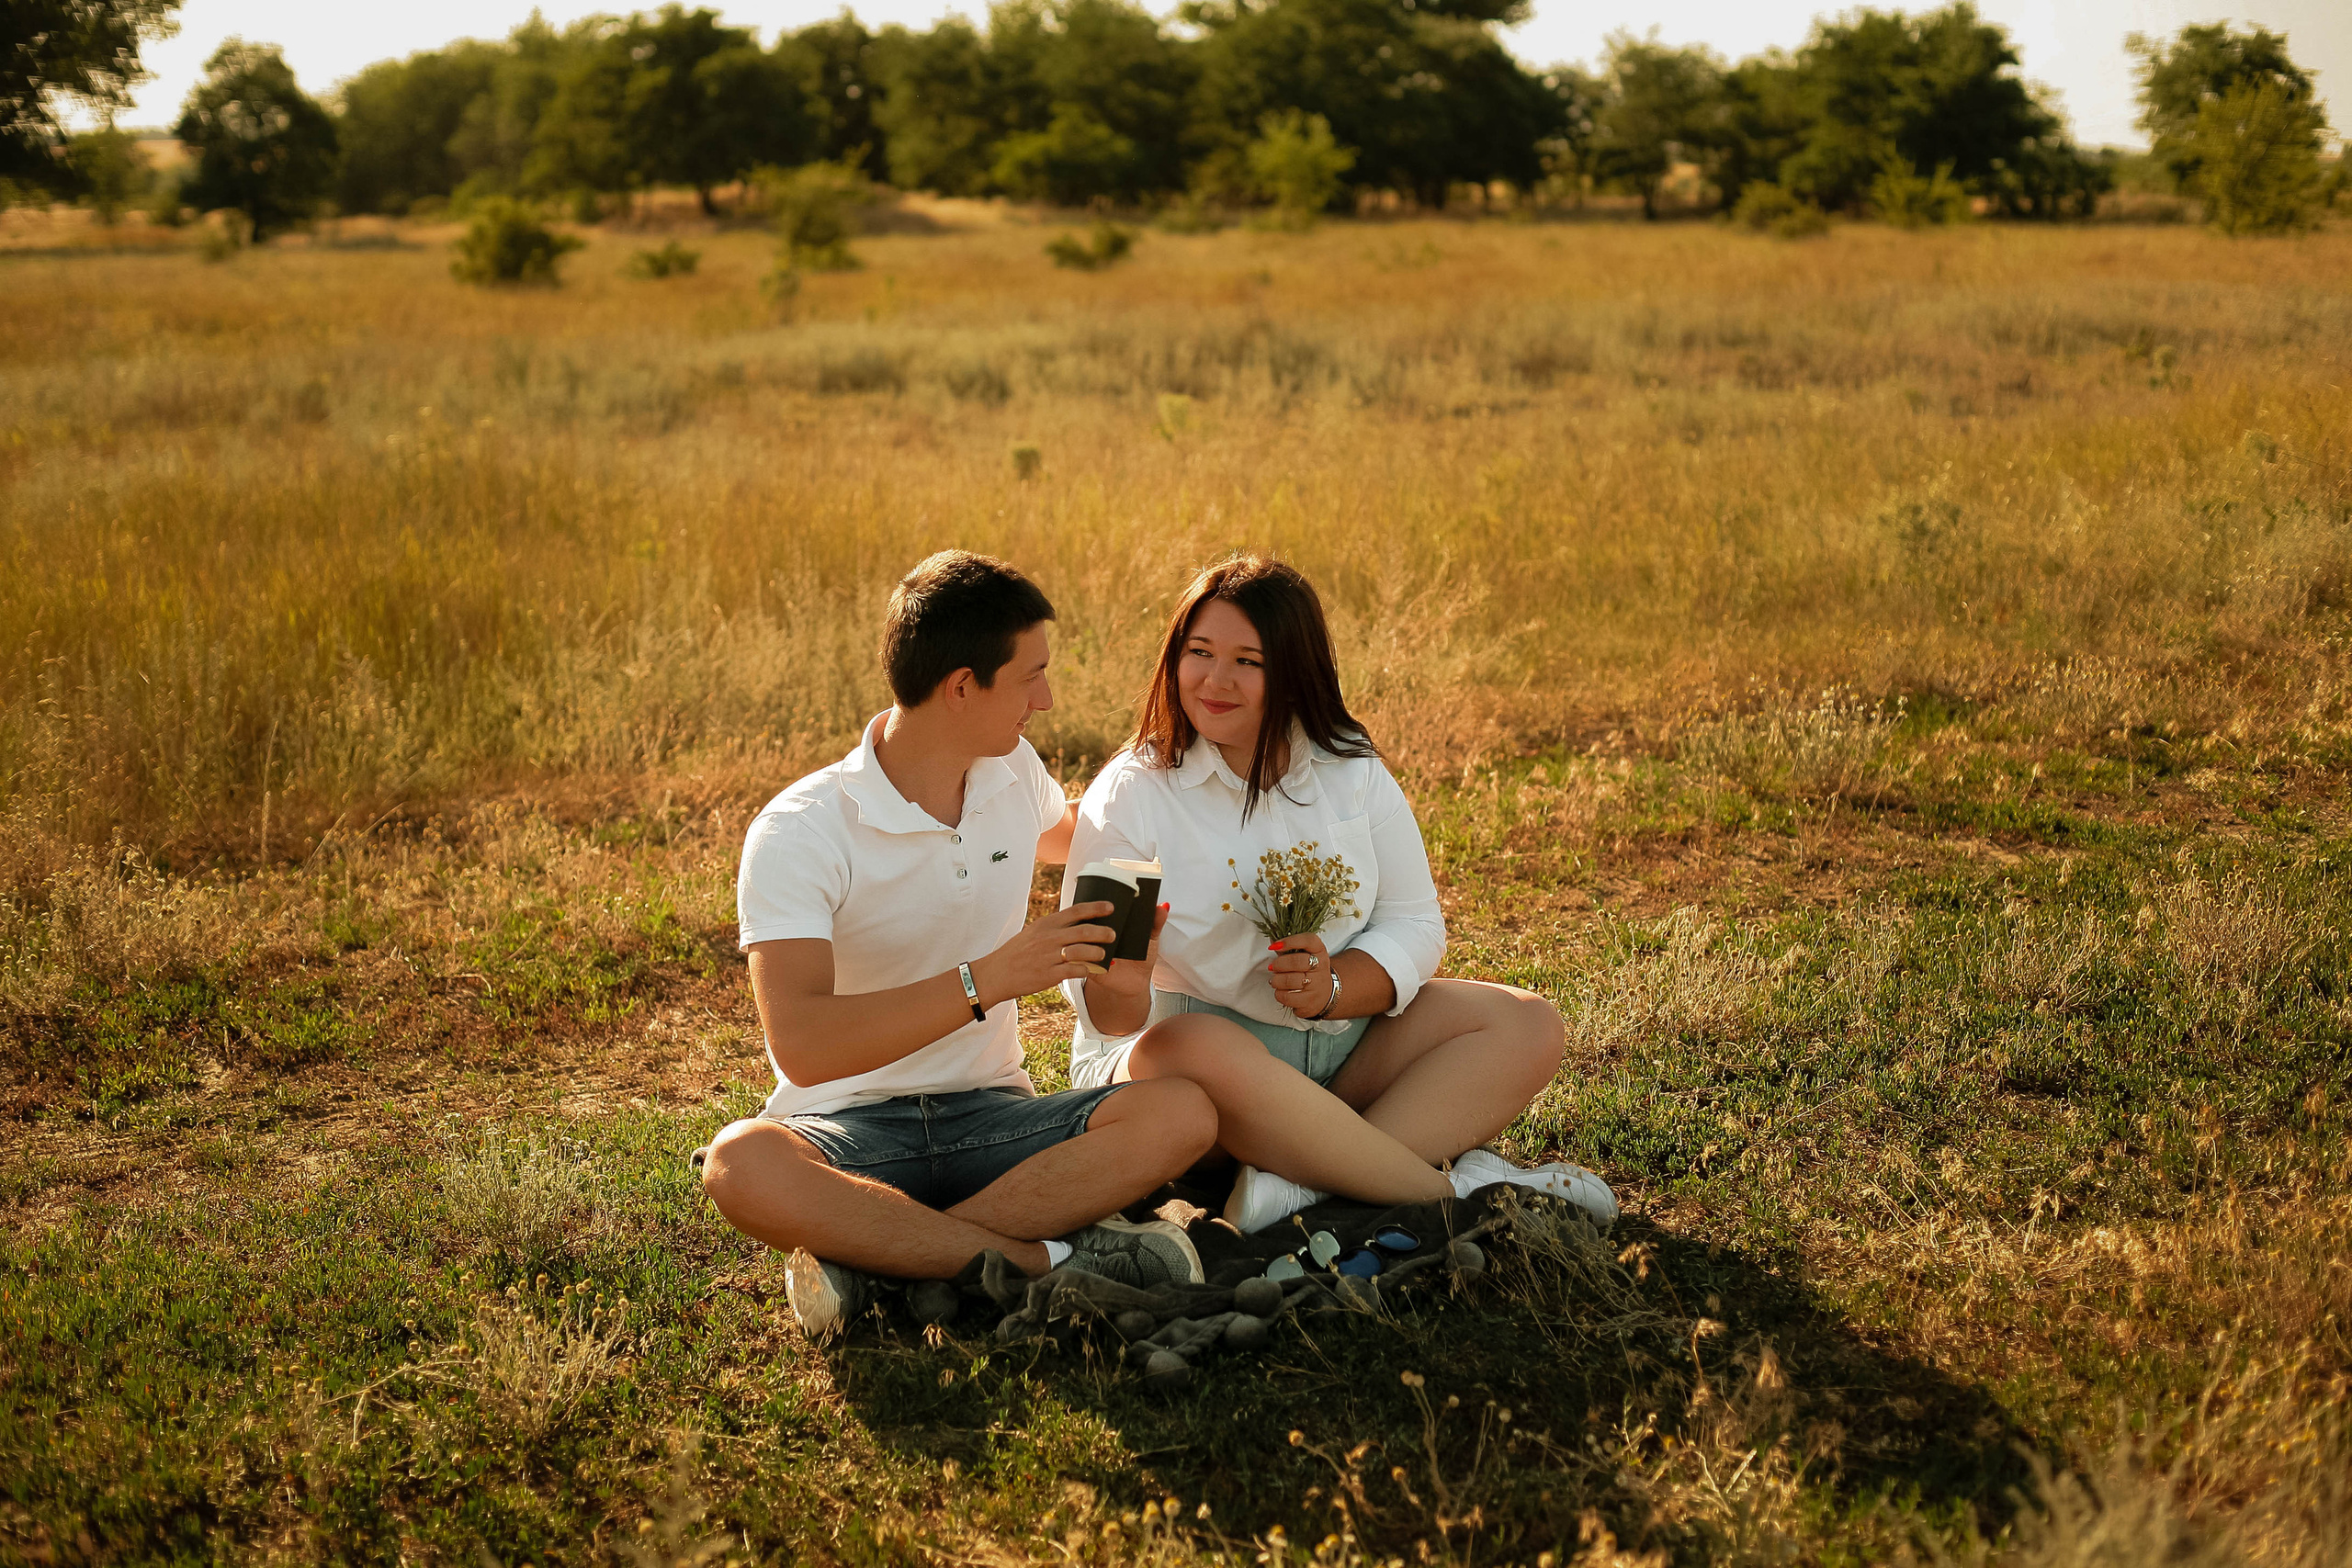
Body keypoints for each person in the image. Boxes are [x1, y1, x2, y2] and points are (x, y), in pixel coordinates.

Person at [698, 551, 1217, 1337]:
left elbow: (1081, 831)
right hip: (847, 1129)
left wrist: (1189, 801)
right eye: (1030, 677)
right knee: (740, 1163)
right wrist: (988, 979)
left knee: (1181, 1113)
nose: (1046, 699)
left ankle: (883, 1260)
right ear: (962, 687)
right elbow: (802, 1048)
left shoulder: (1011, 772)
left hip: (994, 1120)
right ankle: (1040, 1262)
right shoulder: (800, 831)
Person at [1061, 555, 1618, 1233]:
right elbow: (1109, 1015)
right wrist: (1125, 976)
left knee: (1526, 1023)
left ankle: (1301, 1185)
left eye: (1248, 661)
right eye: (1199, 652)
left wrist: (1333, 989)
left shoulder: (1346, 766)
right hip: (1202, 1091)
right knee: (1192, 1041)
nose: (1214, 680)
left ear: (1294, 671)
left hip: (1339, 1054)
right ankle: (1456, 1193)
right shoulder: (1132, 792)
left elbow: (1415, 922)